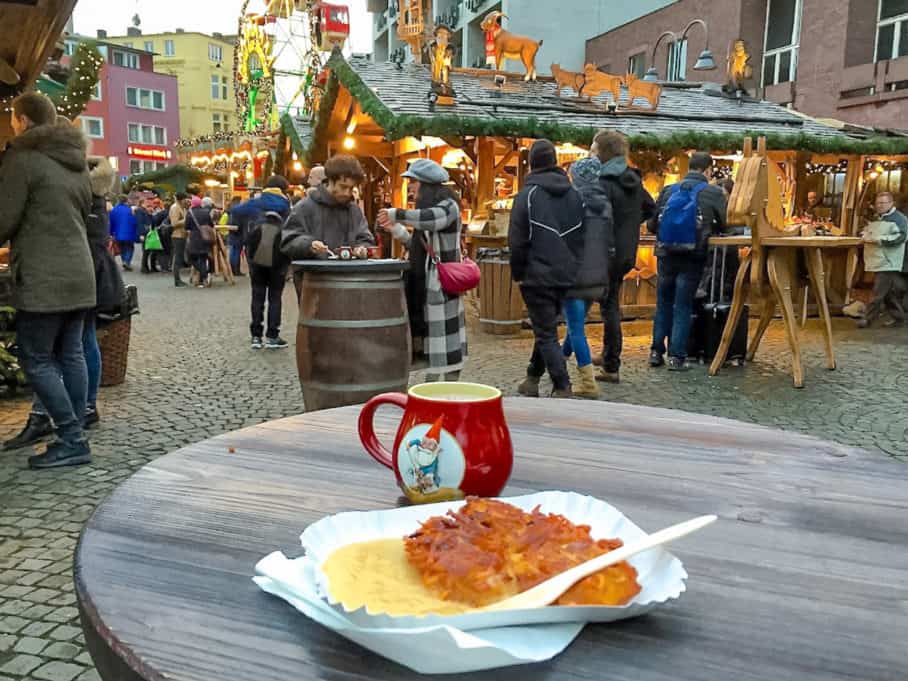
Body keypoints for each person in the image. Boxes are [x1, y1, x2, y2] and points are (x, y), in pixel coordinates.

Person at [0, 92, 95, 468]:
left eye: (12, 119)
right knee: (70, 353)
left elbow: (4, 219)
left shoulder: (23, 159)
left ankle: (71, 439)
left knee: (36, 357)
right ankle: (74, 433)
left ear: (22, 121)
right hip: (79, 272)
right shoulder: (74, 161)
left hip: (45, 275)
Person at [508, 139, 586, 398]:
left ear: (531, 163)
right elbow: (581, 237)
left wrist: (518, 273)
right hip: (565, 273)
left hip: (536, 273)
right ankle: (531, 378)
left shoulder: (527, 196)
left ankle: (562, 386)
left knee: (545, 332)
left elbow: (517, 240)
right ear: (554, 161)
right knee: (546, 328)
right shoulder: (575, 195)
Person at [378, 159, 468, 381]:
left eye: (414, 181)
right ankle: (432, 390)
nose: (411, 187)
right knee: (433, 345)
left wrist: (395, 214)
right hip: (427, 285)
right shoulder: (429, 210)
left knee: (444, 343)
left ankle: (445, 389)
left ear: (427, 184)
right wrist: (396, 230)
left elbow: (431, 220)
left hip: (442, 285)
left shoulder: (448, 207)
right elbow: (418, 246)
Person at [648, 151, 727, 371]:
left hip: (665, 254)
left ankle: (656, 352)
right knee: (682, 304)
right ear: (708, 170)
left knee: (663, 302)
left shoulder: (668, 190)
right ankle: (677, 357)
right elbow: (723, 224)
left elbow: (652, 225)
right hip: (693, 256)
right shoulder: (713, 193)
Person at [592, 130, 655, 383]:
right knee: (610, 303)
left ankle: (611, 365)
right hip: (626, 253)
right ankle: (607, 353)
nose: (592, 153)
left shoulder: (604, 182)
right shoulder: (633, 180)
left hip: (606, 252)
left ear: (604, 152)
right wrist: (629, 226)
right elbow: (651, 208)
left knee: (608, 307)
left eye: (594, 149)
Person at [282, 154, 375, 296]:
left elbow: (365, 237)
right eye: (343, 187)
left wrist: (362, 248)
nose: (347, 193)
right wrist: (309, 245)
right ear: (330, 181)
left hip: (350, 284)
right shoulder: (305, 207)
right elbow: (288, 240)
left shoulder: (353, 210)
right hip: (314, 284)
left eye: (351, 188)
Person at [560, 156, 612, 399]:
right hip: (597, 277)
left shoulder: (572, 203)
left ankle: (588, 383)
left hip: (575, 276)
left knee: (576, 329)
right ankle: (558, 362)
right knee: (575, 327)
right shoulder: (605, 203)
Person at [231, 176, 292, 349]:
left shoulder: (255, 202)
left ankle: (256, 336)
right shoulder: (286, 205)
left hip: (255, 255)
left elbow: (235, 211)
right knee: (275, 296)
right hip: (279, 257)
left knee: (257, 295)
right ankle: (273, 336)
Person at [858, 192, 908, 328]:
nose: (879, 206)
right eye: (877, 203)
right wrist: (865, 234)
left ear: (891, 204)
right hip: (879, 260)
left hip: (890, 261)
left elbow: (902, 237)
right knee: (887, 293)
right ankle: (899, 318)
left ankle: (868, 319)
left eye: (882, 203)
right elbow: (871, 231)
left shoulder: (899, 219)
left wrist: (880, 240)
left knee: (878, 291)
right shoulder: (878, 217)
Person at [187, 196, 214, 288]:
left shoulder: (190, 212)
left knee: (191, 258)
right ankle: (204, 278)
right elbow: (211, 225)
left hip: (194, 238)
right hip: (205, 238)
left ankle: (204, 274)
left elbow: (186, 226)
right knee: (203, 257)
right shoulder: (206, 213)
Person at [109, 195, 138, 271]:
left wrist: (111, 233)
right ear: (126, 201)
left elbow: (111, 222)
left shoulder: (114, 210)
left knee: (122, 247)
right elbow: (134, 221)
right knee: (130, 247)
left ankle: (124, 260)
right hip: (129, 233)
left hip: (118, 233)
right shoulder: (130, 210)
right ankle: (127, 261)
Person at [169, 192, 191, 287]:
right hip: (177, 236)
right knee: (177, 258)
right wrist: (186, 220)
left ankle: (178, 279)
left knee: (180, 257)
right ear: (181, 200)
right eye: (185, 199)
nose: (186, 201)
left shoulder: (182, 208)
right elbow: (174, 223)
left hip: (182, 235)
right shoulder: (175, 208)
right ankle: (177, 280)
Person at [224, 196, 244, 276]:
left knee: (233, 251)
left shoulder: (229, 210)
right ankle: (236, 270)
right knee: (236, 252)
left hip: (231, 232)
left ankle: (232, 269)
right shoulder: (237, 210)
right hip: (238, 232)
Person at [137, 201, 159, 273]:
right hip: (145, 233)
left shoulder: (146, 212)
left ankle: (148, 267)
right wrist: (141, 234)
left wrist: (151, 214)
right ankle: (144, 267)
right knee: (146, 251)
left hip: (150, 233)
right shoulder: (140, 211)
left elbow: (153, 222)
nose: (150, 207)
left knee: (149, 250)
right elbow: (140, 223)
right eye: (148, 205)